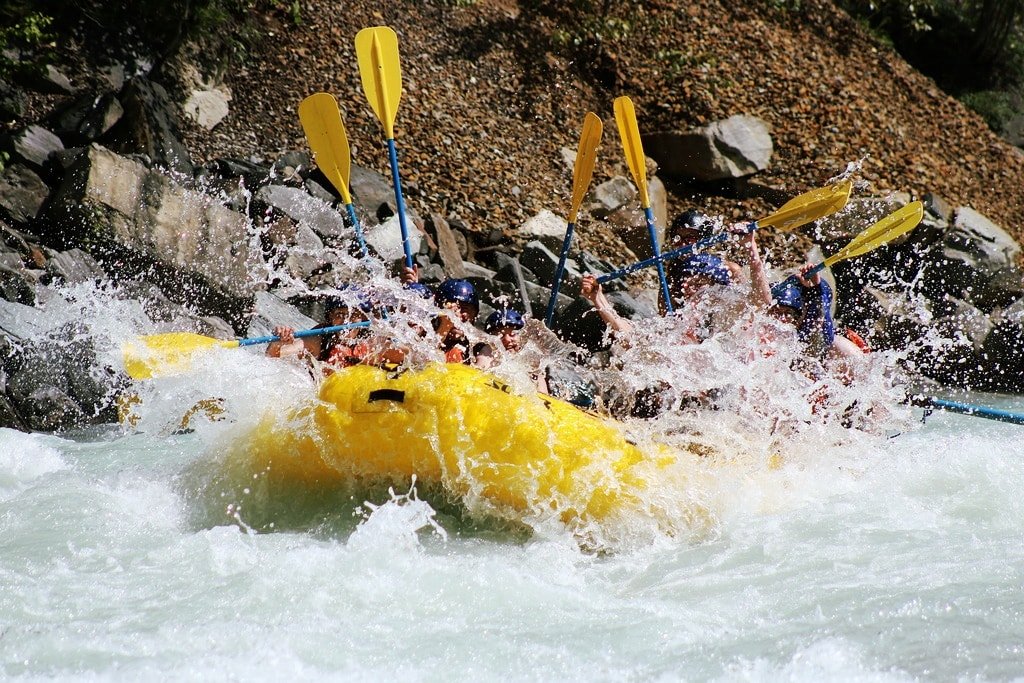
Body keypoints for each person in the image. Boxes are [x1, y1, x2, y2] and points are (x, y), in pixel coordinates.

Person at [267, 291, 373, 370]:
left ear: (362, 318)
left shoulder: (372, 340)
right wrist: (277, 342)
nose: (346, 321)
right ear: (331, 317)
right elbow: (272, 357)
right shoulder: (318, 339)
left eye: (353, 315)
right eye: (339, 315)